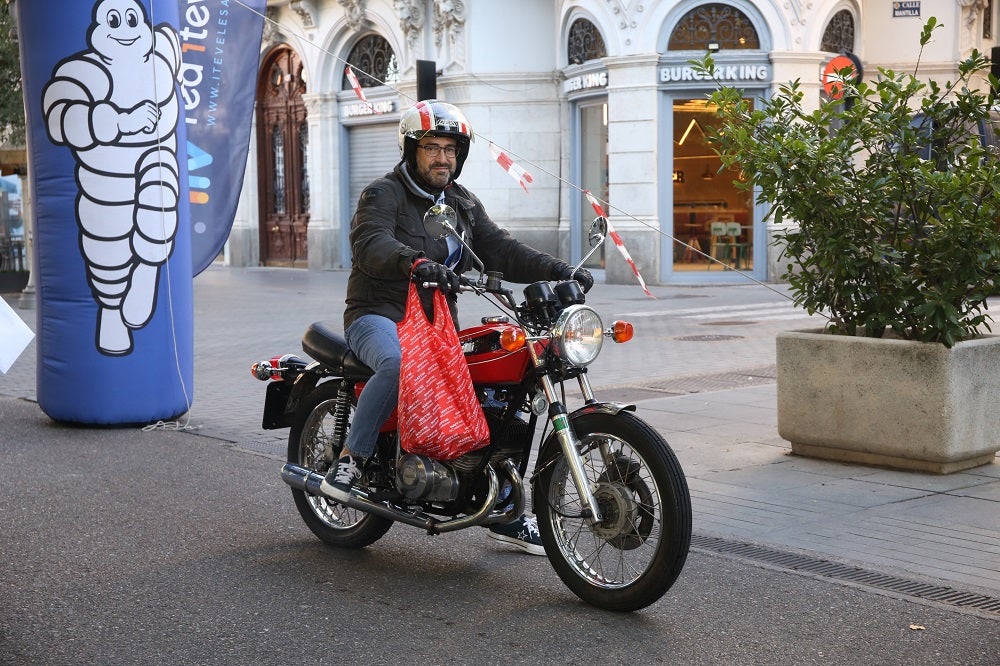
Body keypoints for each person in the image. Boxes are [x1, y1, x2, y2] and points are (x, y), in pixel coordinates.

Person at [319, 99, 593, 555]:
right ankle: (351, 459)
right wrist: (416, 262)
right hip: (379, 313)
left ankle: (504, 508)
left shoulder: (461, 203)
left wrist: (558, 270)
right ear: (411, 150)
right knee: (396, 363)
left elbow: (502, 249)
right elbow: (371, 243)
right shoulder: (382, 194)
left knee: (505, 387)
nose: (442, 157)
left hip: (435, 323)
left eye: (450, 149)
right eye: (432, 147)